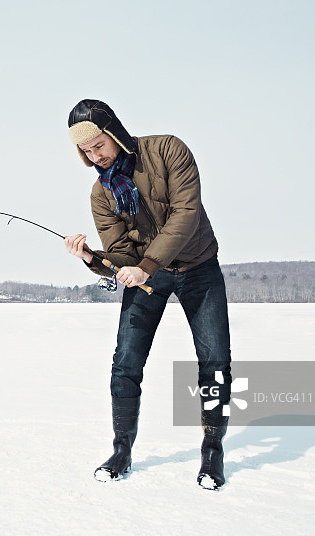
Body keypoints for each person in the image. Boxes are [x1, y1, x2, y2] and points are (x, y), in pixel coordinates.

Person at [63, 99, 232, 490]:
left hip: (198, 268)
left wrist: (147, 265)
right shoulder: (101, 193)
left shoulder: (168, 149)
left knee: (216, 361)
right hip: (146, 277)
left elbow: (185, 214)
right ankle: (121, 450)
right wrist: (93, 258)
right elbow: (121, 253)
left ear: (115, 133)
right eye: (86, 152)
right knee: (125, 363)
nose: (95, 157)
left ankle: (213, 451)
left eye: (99, 146)